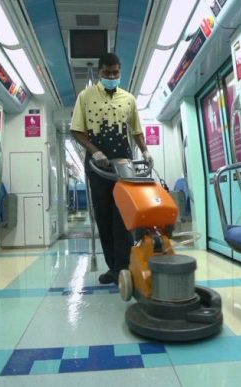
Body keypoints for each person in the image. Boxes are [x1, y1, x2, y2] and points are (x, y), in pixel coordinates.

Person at [70, 52, 152, 284]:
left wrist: (145, 151)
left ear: (120, 71)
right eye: (107, 73)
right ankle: (113, 268)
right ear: (100, 72)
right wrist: (94, 150)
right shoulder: (85, 97)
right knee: (104, 217)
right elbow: (76, 130)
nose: (112, 76)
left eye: (115, 73)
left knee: (123, 216)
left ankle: (124, 266)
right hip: (97, 166)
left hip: (124, 165)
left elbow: (135, 130)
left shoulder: (129, 99)